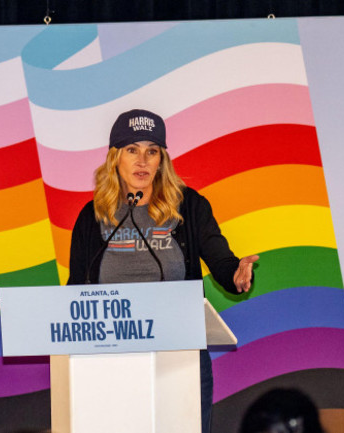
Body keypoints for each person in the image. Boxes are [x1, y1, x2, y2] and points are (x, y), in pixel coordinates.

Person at [67, 108, 258, 432]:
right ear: (115, 157)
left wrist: (235, 274)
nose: (142, 160)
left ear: (161, 160)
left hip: (179, 358)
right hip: (111, 360)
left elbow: (221, 261)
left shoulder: (189, 206)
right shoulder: (92, 215)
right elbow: (76, 290)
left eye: (151, 151)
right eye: (132, 150)